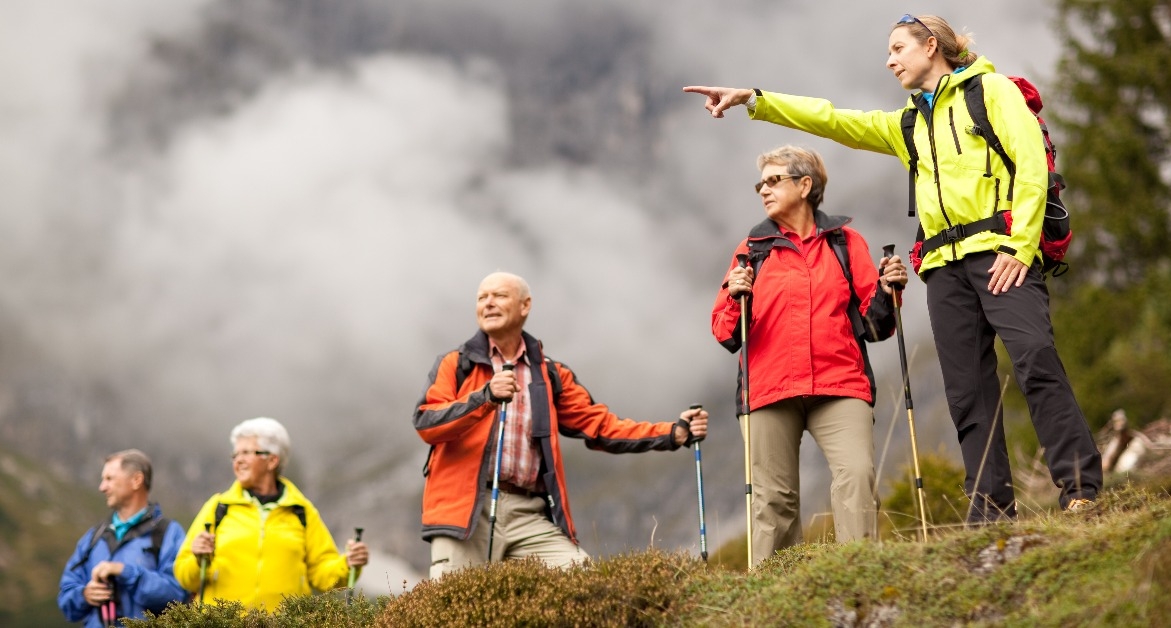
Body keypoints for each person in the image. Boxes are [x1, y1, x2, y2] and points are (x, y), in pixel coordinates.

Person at [683, 13, 1102, 522]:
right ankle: (990, 509)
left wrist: (1019, 247)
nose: (889, 60)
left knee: (1036, 360)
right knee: (967, 390)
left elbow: (1032, 167)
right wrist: (754, 98)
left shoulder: (991, 91)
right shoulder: (907, 124)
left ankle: (1080, 488)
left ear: (931, 46)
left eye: (898, 48)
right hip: (944, 268)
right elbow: (833, 119)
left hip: (1001, 252)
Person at [413, 271, 708, 578]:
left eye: (499, 296)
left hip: (528, 513)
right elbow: (426, 423)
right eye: (481, 298)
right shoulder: (455, 364)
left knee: (582, 578)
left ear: (525, 305)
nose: (488, 304)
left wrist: (673, 433)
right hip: (466, 514)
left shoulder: (550, 374)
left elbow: (601, 426)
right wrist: (484, 397)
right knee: (458, 611)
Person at [713, 145, 905, 562]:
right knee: (773, 502)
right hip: (769, 390)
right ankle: (772, 603)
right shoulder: (752, 249)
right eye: (759, 183)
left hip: (841, 384)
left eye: (773, 180)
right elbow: (725, 333)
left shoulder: (845, 242)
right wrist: (735, 295)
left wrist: (889, 290)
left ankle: (859, 577)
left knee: (856, 474)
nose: (763, 189)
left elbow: (877, 325)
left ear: (805, 185)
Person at [174, 417, 369, 612]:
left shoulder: (301, 511)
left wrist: (348, 564)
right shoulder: (218, 507)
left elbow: (324, 576)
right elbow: (183, 575)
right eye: (235, 454)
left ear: (272, 460)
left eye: (246, 452)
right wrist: (198, 559)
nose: (238, 460)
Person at [58, 449, 189, 627]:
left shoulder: (168, 533)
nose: (102, 487)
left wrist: (126, 572)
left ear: (136, 480)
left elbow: (177, 596)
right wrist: (84, 595)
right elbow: (66, 598)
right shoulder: (93, 538)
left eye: (109, 479)